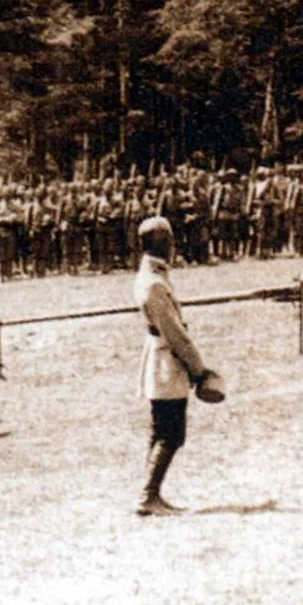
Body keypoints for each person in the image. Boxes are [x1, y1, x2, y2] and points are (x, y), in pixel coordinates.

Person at [133, 216, 209, 517]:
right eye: (169, 240)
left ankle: (150, 493)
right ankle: (148, 496)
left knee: (160, 431)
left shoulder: (151, 276)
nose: (173, 246)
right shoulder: (153, 283)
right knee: (171, 433)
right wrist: (198, 369)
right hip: (167, 360)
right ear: (160, 243)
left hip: (161, 357)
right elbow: (175, 333)